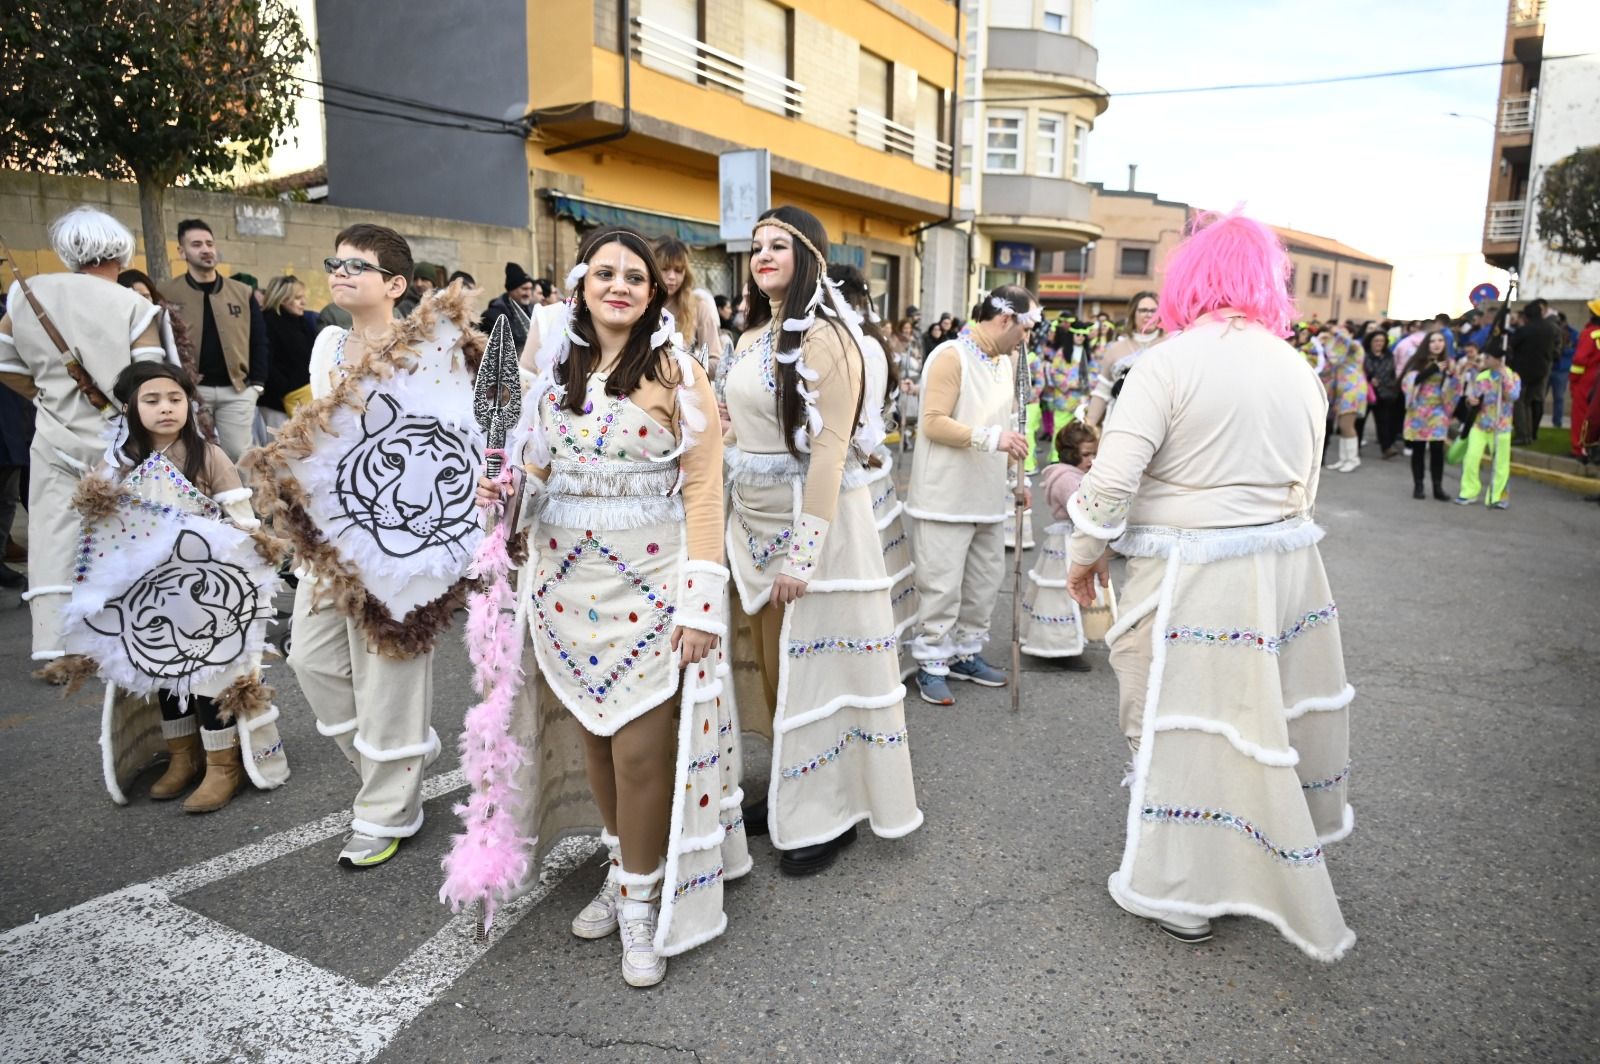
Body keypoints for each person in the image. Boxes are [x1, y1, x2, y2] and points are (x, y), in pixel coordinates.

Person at [1065, 211, 1354, 960]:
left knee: (1167, 718)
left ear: (1188, 278)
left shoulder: (1167, 363)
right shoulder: (1298, 369)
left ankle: (1185, 888)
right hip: (1280, 575)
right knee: (1249, 719)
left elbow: (1110, 483)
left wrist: (1083, 553)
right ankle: (1244, 861)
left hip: (1187, 577)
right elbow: (1309, 486)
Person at [478, 225, 746, 987]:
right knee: (594, 737)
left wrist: (700, 605)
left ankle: (639, 899)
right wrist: (503, 496)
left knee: (637, 747)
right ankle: (627, 862)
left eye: (635, 276)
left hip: (652, 584)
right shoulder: (551, 368)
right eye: (606, 274)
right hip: (563, 584)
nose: (620, 285)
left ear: (656, 291)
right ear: (581, 286)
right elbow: (531, 466)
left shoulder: (677, 371)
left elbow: (701, 490)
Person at [245, 224, 479, 868]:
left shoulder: (432, 347)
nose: (340, 273)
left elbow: (466, 429)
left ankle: (387, 809)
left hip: (408, 537)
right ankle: (400, 764)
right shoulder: (327, 344)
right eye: (335, 263)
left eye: (357, 266)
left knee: (390, 669)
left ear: (396, 285)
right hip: (333, 537)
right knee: (312, 662)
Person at [723, 205, 922, 875]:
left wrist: (803, 555)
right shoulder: (753, 336)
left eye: (778, 244)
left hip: (820, 529)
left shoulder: (828, 338)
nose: (762, 255)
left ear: (807, 254)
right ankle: (790, 783)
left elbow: (831, 450)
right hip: (750, 524)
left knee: (821, 671)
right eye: (755, 246)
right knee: (779, 672)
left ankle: (828, 811)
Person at [76, 361, 287, 811]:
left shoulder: (208, 455)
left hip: (208, 594)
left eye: (175, 399)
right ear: (131, 407)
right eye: (152, 401)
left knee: (211, 678)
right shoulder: (117, 463)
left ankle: (222, 764)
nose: (166, 409)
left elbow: (242, 523)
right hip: (151, 597)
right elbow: (103, 533)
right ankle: (182, 757)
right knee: (168, 678)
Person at [0, 207, 177, 683]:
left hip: (53, 434)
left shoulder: (25, 293)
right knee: (128, 537)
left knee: (55, 536)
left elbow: (4, 362)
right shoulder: (134, 306)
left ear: (66, 251)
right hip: (119, 440)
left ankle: (57, 646)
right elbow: (149, 381)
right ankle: (139, 632)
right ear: (121, 250)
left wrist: (42, 394)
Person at [904, 286, 1036, 706]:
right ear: (1005, 320)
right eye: (1026, 328)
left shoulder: (1007, 360)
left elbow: (1013, 423)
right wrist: (990, 438)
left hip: (987, 496)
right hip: (944, 496)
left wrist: (1021, 480)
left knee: (983, 583)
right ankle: (931, 661)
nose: (1027, 337)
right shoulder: (949, 356)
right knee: (941, 586)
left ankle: (965, 653)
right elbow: (933, 423)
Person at [828, 264, 917, 678]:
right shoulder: (874, 341)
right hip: (876, 463)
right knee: (878, 561)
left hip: (857, 465)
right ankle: (881, 650)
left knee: (860, 566)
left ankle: (861, 658)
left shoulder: (851, 343)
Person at [164, 219, 269, 461]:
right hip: (191, 391)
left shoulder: (242, 292)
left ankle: (248, 500)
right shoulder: (168, 292)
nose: (206, 249)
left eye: (210, 243)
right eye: (197, 244)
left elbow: (259, 339)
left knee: (242, 457)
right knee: (193, 456)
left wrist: (257, 384)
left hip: (238, 390)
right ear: (182, 252)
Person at [1019, 420, 1098, 672]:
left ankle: (1069, 638)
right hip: (1068, 540)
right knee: (1064, 596)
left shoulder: (1076, 474)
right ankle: (1060, 647)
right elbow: (1081, 508)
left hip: (1073, 538)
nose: (1091, 459)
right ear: (1070, 453)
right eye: (1086, 454)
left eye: (1095, 453)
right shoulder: (1067, 478)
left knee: (1070, 594)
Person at [1085, 291, 1164, 429]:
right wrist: (1089, 425)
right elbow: (1102, 390)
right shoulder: (1115, 348)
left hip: (1160, 422)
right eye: (1143, 310)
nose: (1149, 315)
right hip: (1121, 422)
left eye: (1154, 310)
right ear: (1134, 313)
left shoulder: (1171, 344)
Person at [1456, 346, 1521, 509]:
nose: (1484, 361)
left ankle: (1497, 496)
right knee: (1471, 458)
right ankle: (1468, 492)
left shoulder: (1513, 376)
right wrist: (1471, 401)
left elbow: (1513, 396)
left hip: (1501, 427)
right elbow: (1473, 397)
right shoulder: (1482, 377)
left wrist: (1504, 377)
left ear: (1498, 359)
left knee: (1500, 463)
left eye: (1488, 358)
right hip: (1480, 424)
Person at [1400, 331, 1461, 500]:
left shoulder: (1450, 363)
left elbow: (1456, 388)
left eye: (1440, 340)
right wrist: (1431, 369)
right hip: (1418, 410)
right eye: (1433, 341)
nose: (1437, 344)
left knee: (1437, 449)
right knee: (1418, 449)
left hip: (1439, 410)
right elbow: (1409, 383)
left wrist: (1452, 375)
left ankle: (1438, 487)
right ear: (1426, 344)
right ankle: (1418, 486)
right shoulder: (1418, 362)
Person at [258, 275, 317, 434]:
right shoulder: (267, 322)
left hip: (304, 399)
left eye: (303, 297)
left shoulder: (304, 322)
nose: (303, 302)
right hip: (277, 404)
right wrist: (285, 390)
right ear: (282, 299)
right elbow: (266, 363)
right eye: (298, 298)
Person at [654, 237, 721, 369]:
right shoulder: (642, 304)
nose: (672, 276)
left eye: (678, 270)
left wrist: (685, 361)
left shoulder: (699, 307)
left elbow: (716, 362)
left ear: (686, 273)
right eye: (665, 269)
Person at [1508, 299, 1555, 443]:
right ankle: (1530, 433)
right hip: (1541, 370)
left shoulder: (1525, 330)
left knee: (1519, 402)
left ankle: (1523, 434)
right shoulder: (1550, 328)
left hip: (1523, 370)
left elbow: (1511, 345)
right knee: (1529, 402)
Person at [1324, 324, 1367, 472]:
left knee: (1347, 425)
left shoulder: (1356, 347)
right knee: (1343, 426)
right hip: (1343, 392)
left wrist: (1336, 332)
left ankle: (1353, 459)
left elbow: (1349, 342)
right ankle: (1344, 459)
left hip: (1353, 390)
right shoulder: (1338, 353)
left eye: (1344, 332)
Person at [1363, 330, 1403, 459]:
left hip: (1383, 393)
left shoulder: (1389, 356)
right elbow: (1364, 371)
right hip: (1367, 392)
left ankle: (1386, 448)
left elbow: (1391, 372)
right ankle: (1355, 446)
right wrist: (1370, 379)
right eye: (1376, 341)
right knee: (1360, 420)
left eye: (1381, 341)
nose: (1379, 343)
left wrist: (1380, 381)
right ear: (1370, 342)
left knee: (1383, 421)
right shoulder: (1365, 356)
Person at [483, 262, 537, 355]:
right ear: (512, 289)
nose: (528, 293)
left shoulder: (532, 310)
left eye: (530, 289)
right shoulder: (492, 317)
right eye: (524, 289)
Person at [1570, 299, 1600, 458]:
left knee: (1581, 415)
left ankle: (1579, 448)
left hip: (1586, 380)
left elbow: (1579, 360)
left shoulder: (1589, 333)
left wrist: (1574, 380)